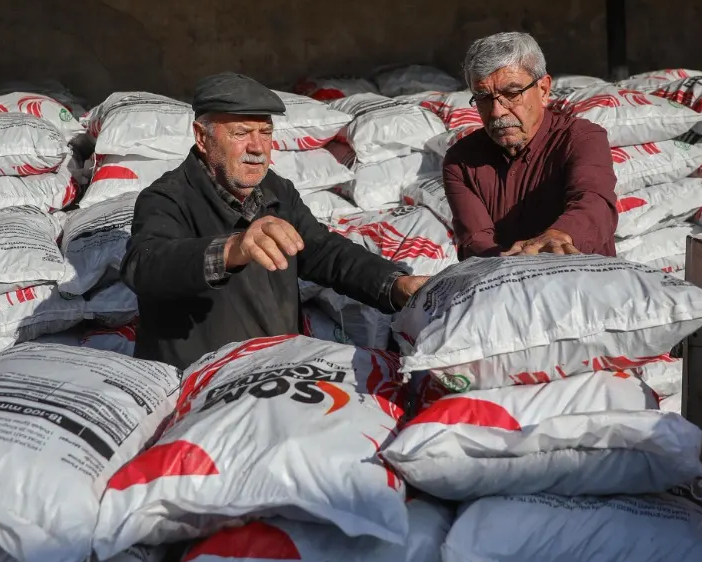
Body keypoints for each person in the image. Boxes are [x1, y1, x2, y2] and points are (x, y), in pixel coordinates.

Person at [121, 72, 429, 368]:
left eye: (265, 133)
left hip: (272, 375)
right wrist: (231, 250)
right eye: (241, 134)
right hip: (200, 383)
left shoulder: (276, 190)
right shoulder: (167, 198)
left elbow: (323, 251)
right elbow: (145, 265)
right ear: (202, 138)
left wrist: (395, 284)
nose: (257, 147)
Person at [440, 32, 618, 258]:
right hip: (501, 286)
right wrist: (514, 265)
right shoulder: (462, 161)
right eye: (484, 97)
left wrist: (559, 236)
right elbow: (475, 241)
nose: (497, 111)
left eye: (512, 93)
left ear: (543, 90)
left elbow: (594, 202)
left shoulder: (582, 138)